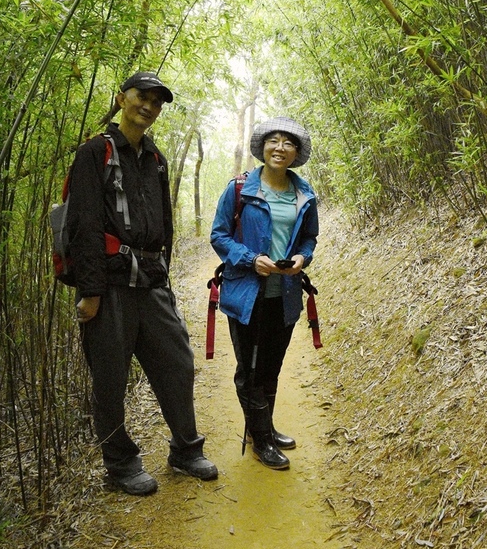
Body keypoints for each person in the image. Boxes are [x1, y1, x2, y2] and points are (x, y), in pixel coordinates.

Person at [67, 71, 217, 495]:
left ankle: (186, 449)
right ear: (122, 99)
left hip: (150, 283)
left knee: (178, 362)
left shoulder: (156, 157)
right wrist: (90, 291)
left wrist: (164, 273)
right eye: (141, 97)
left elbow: (164, 222)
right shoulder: (93, 153)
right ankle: (120, 465)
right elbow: (84, 226)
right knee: (110, 380)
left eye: (157, 101)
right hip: (110, 285)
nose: (149, 106)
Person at [210, 117, 319, 470]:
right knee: (251, 369)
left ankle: (264, 429)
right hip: (246, 295)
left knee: (271, 367)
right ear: (264, 147)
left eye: (289, 143)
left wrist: (303, 257)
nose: (280, 148)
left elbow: (308, 238)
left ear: (296, 153)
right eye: (274, 140)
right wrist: (250, 258)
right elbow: (219, 235)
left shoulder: (304, 194)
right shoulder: (240, 189)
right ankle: (262, 441)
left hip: (284, 294)